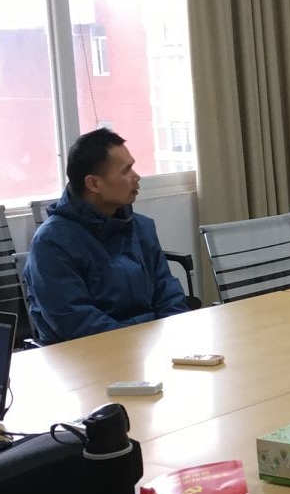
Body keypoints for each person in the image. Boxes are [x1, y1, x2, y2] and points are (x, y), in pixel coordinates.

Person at [23, 128, 190, 345]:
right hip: (89, 354)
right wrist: (138, 344)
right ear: (93, 184)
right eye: (126, 170)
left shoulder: (141, 227)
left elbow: (168, 292)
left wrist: (172, 335)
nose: (136, 177)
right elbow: (75, 321)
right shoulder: (51, 243)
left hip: (150, 346)